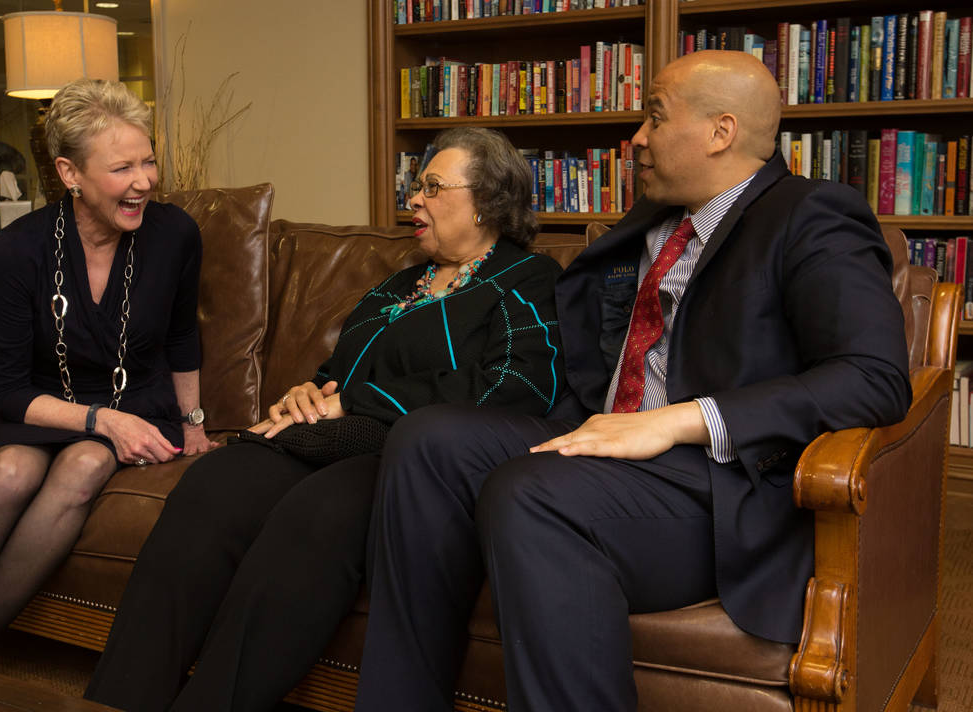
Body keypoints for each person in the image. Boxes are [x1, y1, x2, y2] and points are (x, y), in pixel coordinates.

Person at [353, 50, 912, 712]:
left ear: (720, 132)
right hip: (599, 439)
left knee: (527, 492)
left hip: (713, 484)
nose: (636, 137)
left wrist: (679, 418)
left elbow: (874, 378)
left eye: (654, 116)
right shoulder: (650, 221)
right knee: (427, 440)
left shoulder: (812, 215)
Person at [84, 126, 563, 712]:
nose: (413, 199)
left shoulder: (525, 279)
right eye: (416, 187)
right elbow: (338, 370)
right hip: (329, 437)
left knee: (313, 517)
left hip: (412, 461)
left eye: (432, 187)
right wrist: (306, 394)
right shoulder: (399, 283)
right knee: (213, 485)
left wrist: (358, 401)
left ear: (488, 200)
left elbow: (519, 388)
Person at [0, 78, 218, 665]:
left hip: (136, 401)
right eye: (121, 168)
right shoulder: (18, 249)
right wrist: (99, 419)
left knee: (84, 463)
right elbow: (6, 388)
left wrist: (192, 423)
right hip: (39, 406)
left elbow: (183, 336)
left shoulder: (175, 235)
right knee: (6, 474)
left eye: (148, 161)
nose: (143, 182)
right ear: (70, 174)